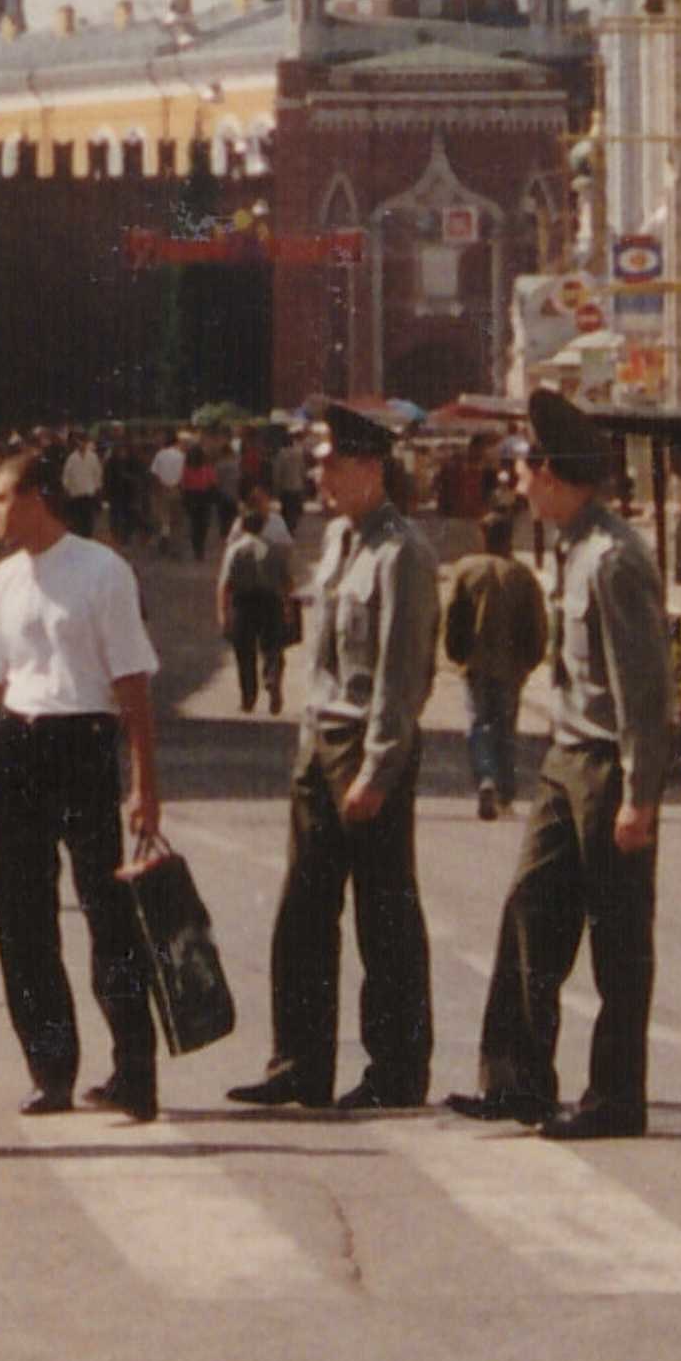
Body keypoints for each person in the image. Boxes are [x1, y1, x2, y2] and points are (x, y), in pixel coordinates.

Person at [0, 446, 166, 1122]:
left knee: (107, 912)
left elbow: (133, 682)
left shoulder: (101, 569)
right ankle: (51, 1068)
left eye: (0, 499)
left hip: (86, 742)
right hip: (19, 747)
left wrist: (144, 782)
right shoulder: (2, 580)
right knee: (22, 919)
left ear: (35, 498)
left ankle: (134, 1070)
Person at [458, 411, 676, 1142]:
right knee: (530, 908)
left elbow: (645, 688)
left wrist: (642, 794)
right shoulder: (571, 548)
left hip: (608, 764)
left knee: (618, 938)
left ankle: (617, 1097)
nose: (517, 484)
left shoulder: (614, 557)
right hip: (564, 757)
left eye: (523, 470)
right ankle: (516, 1080)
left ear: (551, 473)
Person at [226, 406, 445, 1117]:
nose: (318, 473)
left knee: (384, 914)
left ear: (370, 468)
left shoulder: (401, 551)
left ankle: (397, 1067)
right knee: (303, 910)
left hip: (365, 744)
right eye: (317, 462)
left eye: (331, 463)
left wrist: (378, 767)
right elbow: (322, 657)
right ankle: (298, 1063)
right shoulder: (339, 540)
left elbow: (401, 671)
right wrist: (305, 741)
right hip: (320, 742)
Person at [440, 479, 548, 815]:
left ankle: (485, 777)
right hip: (511, 667)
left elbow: (452, 617)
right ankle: (505, 790)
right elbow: (538, 624)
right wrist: (531, 659)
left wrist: (455, 654)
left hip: (475, 663)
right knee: (505, 726)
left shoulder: (466, 571)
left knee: (478, 724)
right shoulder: (522, 575)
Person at [214, 501, 296, 717]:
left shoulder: (235, 550)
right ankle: (272, 677)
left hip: (244, 603)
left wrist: (223, 612)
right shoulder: (274, 549)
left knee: (244, 651)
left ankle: (248, 697)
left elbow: (224, 584)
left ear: (243, 527)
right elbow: (287, 581)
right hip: (271, 601)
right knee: (273, 647)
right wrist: (288, 607)